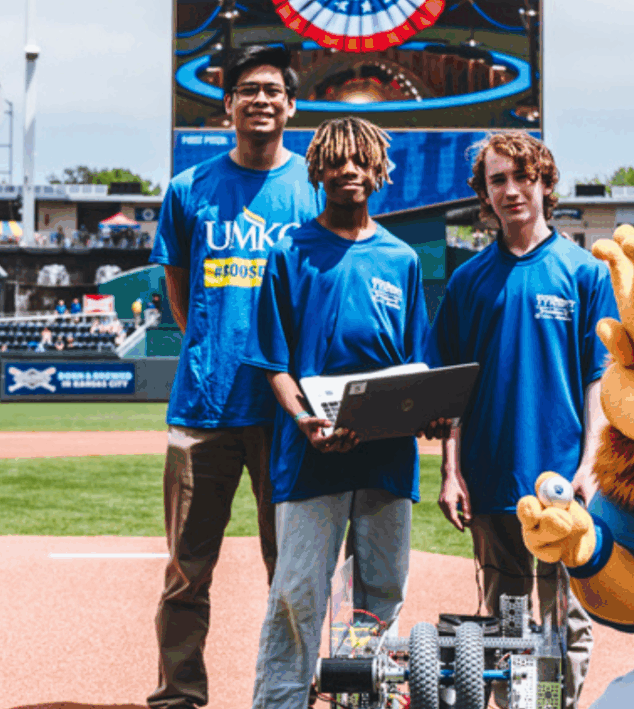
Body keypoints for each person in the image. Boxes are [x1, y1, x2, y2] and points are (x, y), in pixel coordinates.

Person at [247, 117, 445, 709]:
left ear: (379, 170)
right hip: (311, 453)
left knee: (380, 591)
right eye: (335, 161)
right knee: (298, 592)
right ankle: (281, 701)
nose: (349, 171)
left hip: (387, 457)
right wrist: (304, 419)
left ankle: (355, 694)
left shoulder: (402, 258)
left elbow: (416, 364)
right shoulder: (290, 251)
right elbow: (273, 363)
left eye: (361, 161)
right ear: (318, 170)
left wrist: (430, 414)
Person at [148, 44, 323, 709]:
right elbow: (178, 285)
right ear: (228, 104)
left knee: (292, 571)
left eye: (273, 90)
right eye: (248, 89)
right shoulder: (190, 188)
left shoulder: (312, 187)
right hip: (204, 407)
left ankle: (290, 692)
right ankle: (178, 696)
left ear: (291, 105)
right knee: (186, 573)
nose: (261, 100)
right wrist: (212, 347)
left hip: (286, 414)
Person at [432, 132, 613, 707]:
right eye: (497, 180)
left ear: (545, 183)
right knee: (504, 624)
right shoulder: (467, 281)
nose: (511, 190)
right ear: (484, 194)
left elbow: (599, 379)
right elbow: (451, 392)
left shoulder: (585, 273)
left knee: (567, 621)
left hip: (563, 481)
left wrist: (591, 464)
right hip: (490, 478)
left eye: (522, 177)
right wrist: (450, 472)